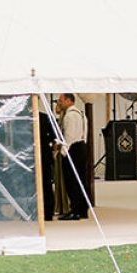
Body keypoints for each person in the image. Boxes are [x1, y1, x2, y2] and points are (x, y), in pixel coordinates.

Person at [56, 92, 91, 220]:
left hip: (72, 149)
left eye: (61, 100)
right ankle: (83, 209)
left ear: (68, 100)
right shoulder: (82, 114)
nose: (59, 103)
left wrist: (63, 152)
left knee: (72, 181)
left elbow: (69, 136)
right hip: (81, 146)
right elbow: (85, 132)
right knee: (81, 179)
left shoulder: (69, 116)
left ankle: (75, 209)